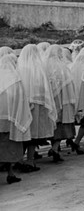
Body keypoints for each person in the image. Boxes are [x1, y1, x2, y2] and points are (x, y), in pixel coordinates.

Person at [17, 44, 56, 172]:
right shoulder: (39, 69)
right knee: (33, 135)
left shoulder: (19, 68)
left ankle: (19, 160)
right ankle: (30, 159)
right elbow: (45, 89)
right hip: (37, 106)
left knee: (22, 132)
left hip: (22, 106)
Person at [0, 54, 32, 184]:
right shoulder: (16, 80)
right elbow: (21, 100)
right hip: (11, 120)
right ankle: (10, 173)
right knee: (10, 146)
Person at [45, 45, 78, 162]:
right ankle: (55, 148)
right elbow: (69, 85)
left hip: (50, 102)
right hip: (63, 102)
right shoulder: (63, 67)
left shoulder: (44, 67)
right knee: (61, 127)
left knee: (53, 126)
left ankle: (54, 148)